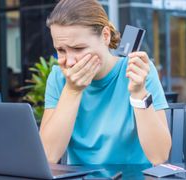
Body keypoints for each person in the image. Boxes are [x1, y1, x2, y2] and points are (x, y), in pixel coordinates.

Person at [40, 0, 171, 165]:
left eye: (79, 48)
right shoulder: (58, 78)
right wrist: (72, 91)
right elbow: (47, 156)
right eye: (61, 50)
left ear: (105, 36)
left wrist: (138, 93)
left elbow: (160, 156)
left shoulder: (138, 71)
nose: (70, 61)